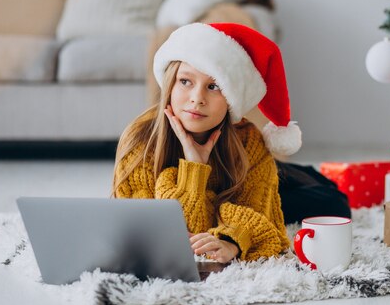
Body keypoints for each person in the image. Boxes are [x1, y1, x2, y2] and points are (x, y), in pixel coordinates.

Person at [112, 23, 350, 264]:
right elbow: (173, 233)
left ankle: (299, 172)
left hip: (243, 175)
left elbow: (263, 225)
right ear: (170, 84)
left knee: (333, 201)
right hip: (225, 197)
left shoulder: (248, 141)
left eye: (213, 86)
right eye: (185, 81)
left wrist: (233, 240)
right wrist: (194, 167)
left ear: (231, 99)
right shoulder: (140, 140)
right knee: (327, 201)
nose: (197, 98)